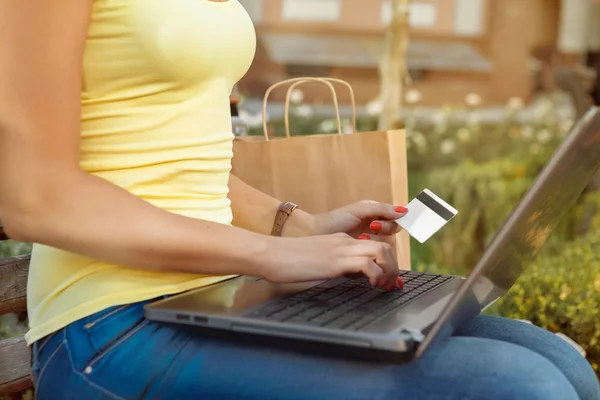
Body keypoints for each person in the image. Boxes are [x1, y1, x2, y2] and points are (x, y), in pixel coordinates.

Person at [0, 1, 597, 399]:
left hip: (220, 297)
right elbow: (33, 196)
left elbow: (176, 159)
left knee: (559, 364)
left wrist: (301, 226)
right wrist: (267, 255)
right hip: (108, 327)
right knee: (519, 386)